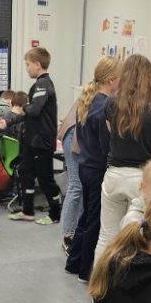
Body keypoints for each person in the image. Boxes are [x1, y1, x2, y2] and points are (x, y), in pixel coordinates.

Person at [93, 54, 151, 261]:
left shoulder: (111, 103)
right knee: (136, 240)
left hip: (114, 175)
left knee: (106, 236)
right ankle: (128, 280)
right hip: (141, 179)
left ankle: (100, 280)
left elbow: (112, 134)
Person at [65, 56, 121, 283]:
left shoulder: (89, 101)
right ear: (112, 80)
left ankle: (73, 262)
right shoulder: (104, 107)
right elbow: (106, 145)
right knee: (94, 223)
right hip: (98, 169)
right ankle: (86, 271)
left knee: (86, 217)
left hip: (85, 166)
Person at [0, 47, 61, 225]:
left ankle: (55, 213)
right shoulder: (38, 85)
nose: (26, 68)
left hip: (42, 141)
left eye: (28, 64)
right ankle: (27, 211)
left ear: (37, 64)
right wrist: (8, 122)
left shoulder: (43, 84)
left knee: (45, 179)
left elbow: (33, 110)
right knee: (26, 173)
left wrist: (22, 106)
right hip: (32, 140)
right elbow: (28, 114)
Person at [58, 99, 83, 251]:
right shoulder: (100, 95)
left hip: (74, 135)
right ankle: (67, 234)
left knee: (79, 186)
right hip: (74, 136)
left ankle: (75, 231)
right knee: (76, 185)